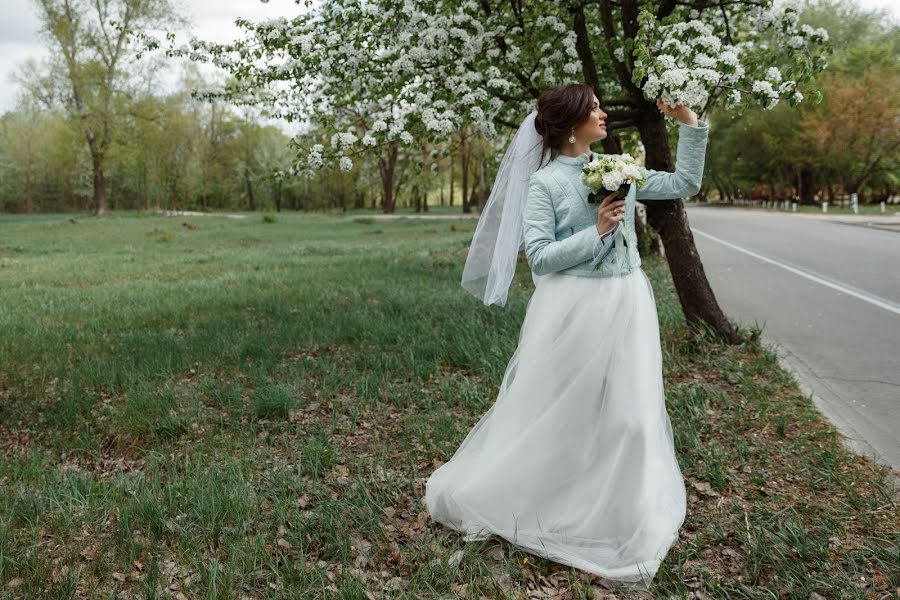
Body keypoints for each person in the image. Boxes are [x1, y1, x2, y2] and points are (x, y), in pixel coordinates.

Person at [424, 82, 710, 590]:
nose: (603, 114)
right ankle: (549, 503)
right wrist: (596, 230)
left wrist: (689, 123)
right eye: (594, 108)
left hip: (628, 301)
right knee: (567, 413)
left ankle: (624, 518)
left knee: (632, 415)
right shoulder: (545, 184)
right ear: (571, 123)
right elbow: (538, 256)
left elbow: (685, 182)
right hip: (575, 308)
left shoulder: (620, 168)